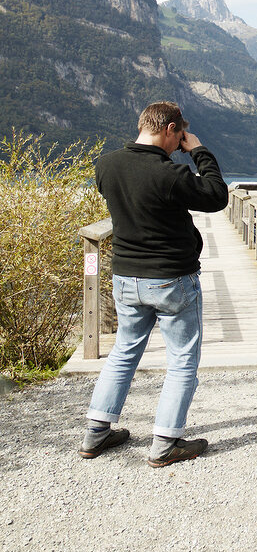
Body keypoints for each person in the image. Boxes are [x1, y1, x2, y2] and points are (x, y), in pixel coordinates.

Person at [79, 101, 228, 467]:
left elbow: (135, 203)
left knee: (123, 352)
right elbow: (217, 195)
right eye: (180, 137)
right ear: (171, 129)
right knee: (181, 361)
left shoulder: (106, 166)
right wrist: (199, 151)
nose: (180, 144)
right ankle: (166, 443)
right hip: (172, 279)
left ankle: (96, 433)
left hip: (126, 278)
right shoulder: (171, 174)